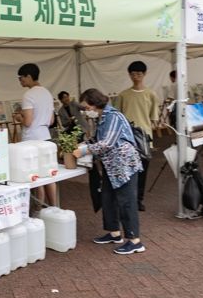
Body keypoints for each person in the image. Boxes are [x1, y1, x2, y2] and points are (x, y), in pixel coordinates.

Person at [73, 88, 145, 255]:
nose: (86, 110)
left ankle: (135, 241)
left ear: (95, 103)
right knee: (108, 198)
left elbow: (107, 143)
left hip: (124, 165)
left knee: (126, 201)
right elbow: (98, 140)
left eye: (87, 107)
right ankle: (114, 233)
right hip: (111, 165)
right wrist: (83, 144)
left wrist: (83, 150)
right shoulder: (103, 117)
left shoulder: (113, 116)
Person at [113, 61, 159, 212]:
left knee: (142, 171)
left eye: (139, 74)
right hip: (127, 138)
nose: (136, 77)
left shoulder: (151, 94)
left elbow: (153, 119)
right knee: (127, 169)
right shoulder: (123, 95)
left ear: (144, 74)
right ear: (129, 75)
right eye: (133, 74)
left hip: (144, 139)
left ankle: (139, 199)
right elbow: (117, 117)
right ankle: (128, 199)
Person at [16, 63, 56, 207]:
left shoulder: (29, 95)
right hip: (45, 136)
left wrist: (19, 118)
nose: (20, 81)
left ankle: (38, 209)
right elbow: (51, 121)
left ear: (28, 76)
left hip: (31, 139)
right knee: (48, 174)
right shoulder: (47, 93)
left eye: (21, 78)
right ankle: (53, 206)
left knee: (35, 175)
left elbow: (27, 122)